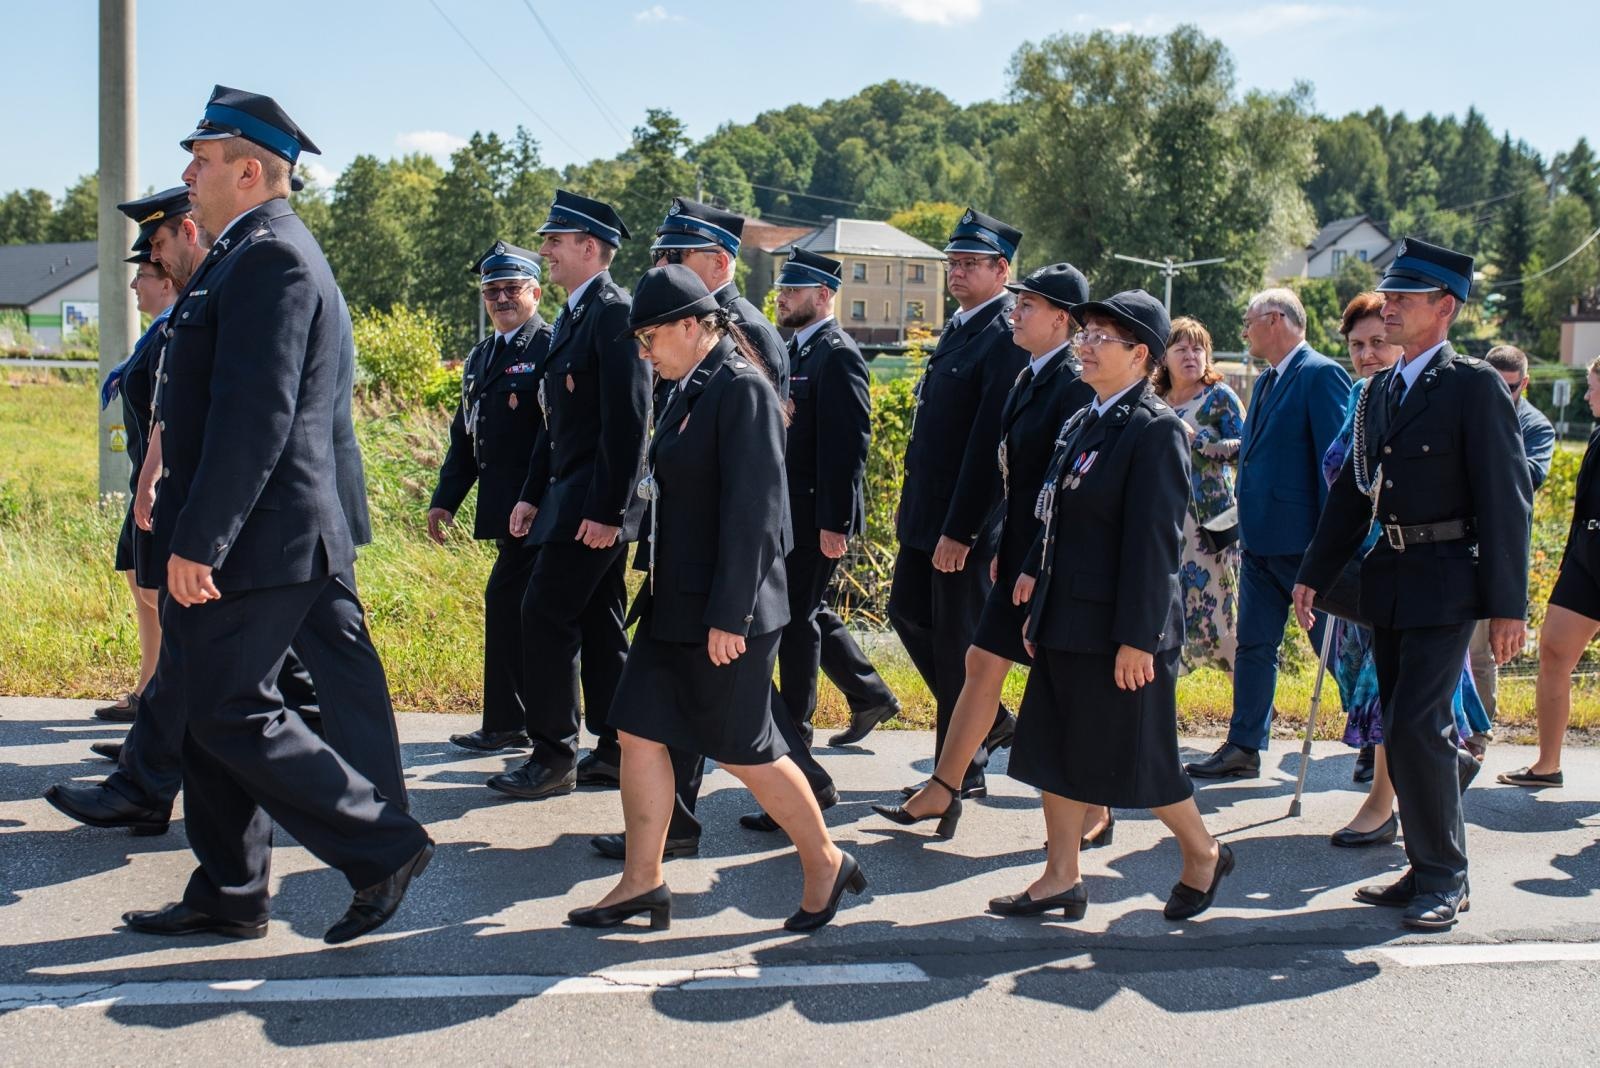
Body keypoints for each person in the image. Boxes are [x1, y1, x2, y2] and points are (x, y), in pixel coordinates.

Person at [121, 86, 431, 944]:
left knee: (228, 707)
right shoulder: (242, 252)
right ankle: (229, 889)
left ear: (249, 172)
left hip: (263, 535)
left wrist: (201, 540)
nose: (188, 175)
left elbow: (256, 417)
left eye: (202, 160)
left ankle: (385, 845)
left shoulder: (273, 259)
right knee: (209, 705)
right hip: (258, 529)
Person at [569, 265, 866, 933]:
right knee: (637, 731)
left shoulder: (741, 388)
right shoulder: (688, 385)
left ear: (689, 326)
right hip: (674, 601)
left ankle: (825, 861)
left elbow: (757, 513)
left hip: (728, 613)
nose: (644, 353)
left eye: (649, 339)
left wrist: (731, 615)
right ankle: (642, 882)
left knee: (743, 750)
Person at [1295, 237, 1531, 929]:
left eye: (1404, 297)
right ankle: (1425, 866)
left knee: (1415, 725)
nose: (1390, 306)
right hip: (1391, 578)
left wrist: (1508, 606)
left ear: (1445, 307)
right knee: (1403, 729)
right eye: (1389, 294)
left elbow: (1506, 498)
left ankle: (1446, 878)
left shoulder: (1473, 385)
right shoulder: (1379, 391)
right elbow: (1352, 493)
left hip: (1449, 578)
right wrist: (1313, 574)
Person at [994, 289, 1233, 922]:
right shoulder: (1086, 419)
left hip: (1123, 629)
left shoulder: (1155, 430)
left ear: (1141, 356)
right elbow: (1057, 513)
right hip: (1068, 614)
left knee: (1142, 763)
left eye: (1104, 338)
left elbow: (1155, 545)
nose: (1088, 346)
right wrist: (1034, 580)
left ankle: (1204, 853)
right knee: (1055, 749)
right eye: (1087, 334)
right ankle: (1061, 877)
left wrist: (1137, 638)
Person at [872, 263, 1098, 840]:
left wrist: (1028, 559)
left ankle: (1105, 807)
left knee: (1061, 690)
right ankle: (944, 788)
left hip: (1046, 565)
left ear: (1062, 320)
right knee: (978, 665)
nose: (1014, 313)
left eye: (1027, 306)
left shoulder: (1073, 385)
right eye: (1017, 303)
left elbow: (1061, 491)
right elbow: (1007, 474)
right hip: (1017, 556)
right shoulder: (1030, 376)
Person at [1318, 292, 1486, 846]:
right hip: (1362, 570)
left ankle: (1387, 809)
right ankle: (1442, 772)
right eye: (1356, 345)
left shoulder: (1443, 391)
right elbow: (1345, 480)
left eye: (1377, 342)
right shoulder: (1362, 397)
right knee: (1377, 690)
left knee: (1397, 700)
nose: (1367, 354)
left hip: (1418, 569)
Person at [501, 191, 651, 798]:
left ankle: (553, 755)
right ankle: (614, 750)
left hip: (594, 504)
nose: (545, 250)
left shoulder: (614, 313)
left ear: (590, 248)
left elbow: (629, 421)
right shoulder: (576, 314)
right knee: (599, 622)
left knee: (543, 614)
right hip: (570, 497)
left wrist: (609, 511)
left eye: (555, 241)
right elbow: (555, 419)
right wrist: (531, 493)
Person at [886, 207, 1028, 795]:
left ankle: (960, 771)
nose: (959, 271)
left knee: (955, 647)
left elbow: (988, 447)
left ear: (1002, 270)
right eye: (954, 262)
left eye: (972, 262)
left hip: (963, 525)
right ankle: (988, 721)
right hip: (928, 514)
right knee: (906, 612)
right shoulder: (961, 326)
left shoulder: (1003, 337)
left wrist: (963, 530)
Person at [1186, 288, 1350, 780]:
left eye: (1249, 322)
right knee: (1254, 646)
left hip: (1304, 547)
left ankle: (1380, 737)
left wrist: (1327, 549)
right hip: (1258, 541)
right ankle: (1243, 746)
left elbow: (1333, 470)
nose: (1244, 332)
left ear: (1275, 319)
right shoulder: (1268, 379)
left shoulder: (1320, 375)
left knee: (1338, 650)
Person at [772, 248, 902, 750]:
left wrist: (835, 522)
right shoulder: (797, 349)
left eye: (793, 289)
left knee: (795, 620)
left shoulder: (837, 352)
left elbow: (848, 446)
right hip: (792, 510)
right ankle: (870, 695)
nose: (782, 297)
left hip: (816, 514)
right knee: (806, 608)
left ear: (823, 295)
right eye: (782, 288)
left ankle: (794, 735)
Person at [430, 242, 552, 753]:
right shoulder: (482, 355)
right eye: (491, 291)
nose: (501, 299)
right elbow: (466, 435)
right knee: (512, 609)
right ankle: (515, 721)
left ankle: (515, 724)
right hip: (504, 509)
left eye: (511, 289)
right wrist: (445, 499)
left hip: (542, 507)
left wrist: (535, 497)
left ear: (535, 293)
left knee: (514, 606)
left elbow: (554, 435)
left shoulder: (548, 346)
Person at [88, 188, 187, 726]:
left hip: (161, 481)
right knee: (139, 580)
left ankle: (168, 699)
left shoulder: (175, 331)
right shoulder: (157, 334)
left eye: (142, 274)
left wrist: (151, 478)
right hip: (144, 479)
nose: (133, 284)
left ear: (167, 281)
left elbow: (169, 413)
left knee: (155, 592)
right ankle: (151, 688)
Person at [1498, 353, 1600, 790]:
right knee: (1554, 651)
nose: (1586, 396)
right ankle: (1547, 765)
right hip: (1587, 559)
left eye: (1592, 387)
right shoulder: (1598, 433)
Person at [1469, 344, 1554, 734]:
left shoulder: (1536, 427)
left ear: (1526, 383)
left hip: (1497, 551)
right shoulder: (1467, 411)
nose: (1503, 395)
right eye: (1495, 386)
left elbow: (1528, 479)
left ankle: (1478, 733)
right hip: (1456, 544)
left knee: (1481, 654)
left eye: (1512, 388)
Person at [1153, 316, 1243, 677]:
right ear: (1164, 357)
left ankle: (1250, 706)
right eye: (1182, 348)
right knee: (1167, 614)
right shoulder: (1155, 399)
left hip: (1210, 529)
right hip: (1168, 525)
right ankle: (1161, 702)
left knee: (1226, 618)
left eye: (1198, 348)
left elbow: (1245, 449)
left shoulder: (1219, 397)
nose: (1192, 355)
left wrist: (1198, 440)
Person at [649, 196, 787, 400]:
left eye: (674, 254)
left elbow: (754, 414)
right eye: (658, 254)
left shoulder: (747, 328)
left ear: (719, 264)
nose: (661, 264)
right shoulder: (693, 317)